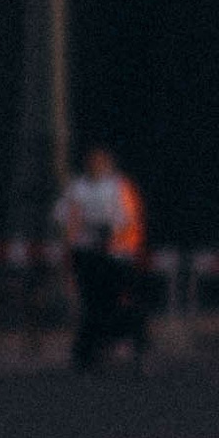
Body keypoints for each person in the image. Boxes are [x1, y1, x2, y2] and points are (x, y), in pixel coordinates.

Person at [57, 143, 151, 372]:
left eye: (100, 161)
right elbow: (67, 220)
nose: (96, 165)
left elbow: (131, 220)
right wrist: (71, 250)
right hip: (87, 255)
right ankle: (88, 352)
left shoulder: (119, 187)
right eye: (92, 160)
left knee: (120, 303)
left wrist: (115, 237)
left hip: (117, 256)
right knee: (92, 305)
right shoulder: (78, 188)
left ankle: (133, 346)